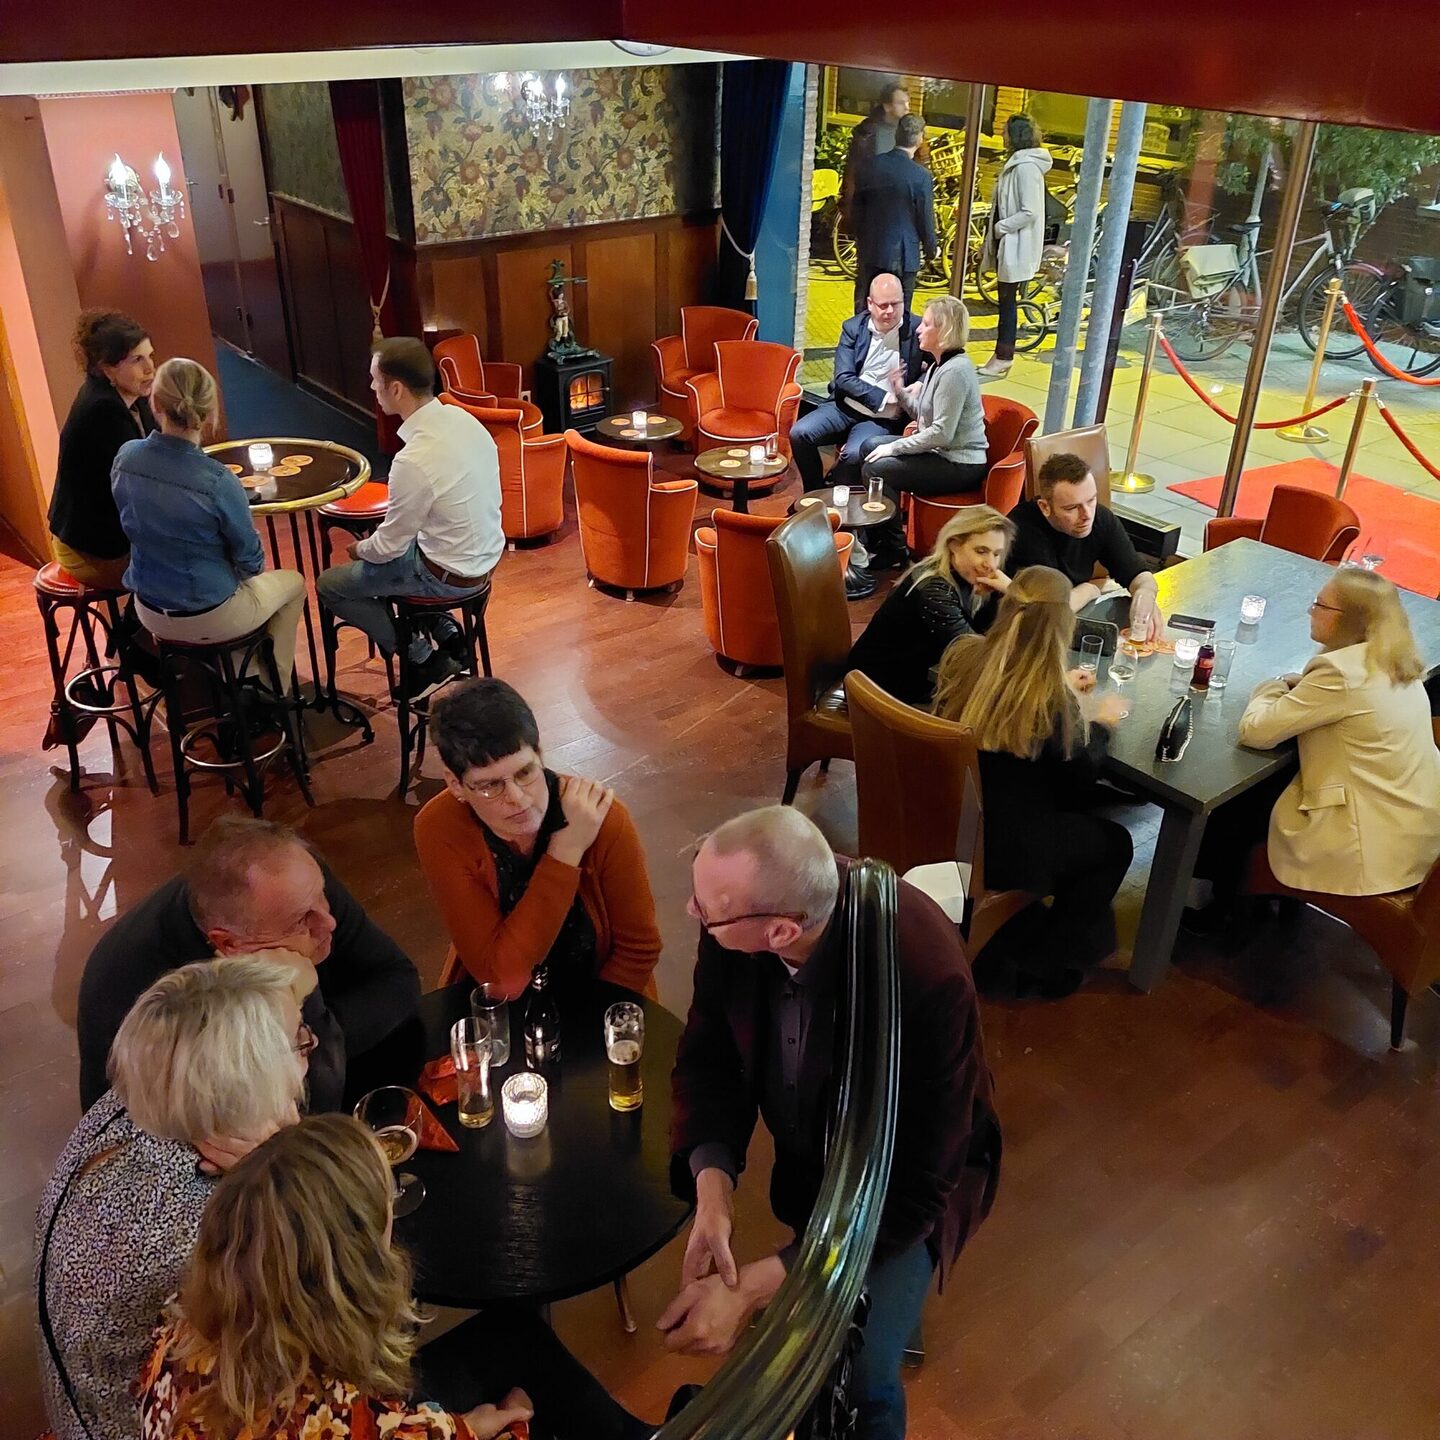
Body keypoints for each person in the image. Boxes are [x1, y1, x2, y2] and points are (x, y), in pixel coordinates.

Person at [662, 806, 1001, 1440]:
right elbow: (710, 1054)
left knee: (865, 1373)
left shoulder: (927, 976)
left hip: (912, 1190)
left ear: (781, 931)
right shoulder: (742, 917)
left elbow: (916, 1188)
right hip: (819, 1159)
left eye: (705, 910)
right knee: (817, 1329)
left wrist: (756, 1288)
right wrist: (713, 1185)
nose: (692, 913)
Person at [138, 1113, 655, 1440]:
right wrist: (494, 1430)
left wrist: (458, 1426)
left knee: (513, 1332)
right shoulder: (344, 1421)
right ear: (351, 1267)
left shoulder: (177, 1334)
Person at [36, 956, 310, 1440]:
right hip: (138, 1424)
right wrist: (285, 1166)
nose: (311, 1047)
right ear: (249, 1079)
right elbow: (313, 1310)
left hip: (76, 1396)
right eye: (298, 1041)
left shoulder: (147, 1100)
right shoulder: (200, 1221)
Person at [77, 814, 420, 1113]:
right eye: (301, 921)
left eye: (322, 895)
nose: (328, 922)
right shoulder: (136, 990)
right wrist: (307, 1013)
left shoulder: (295, 889)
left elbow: (398, 979)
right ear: (229, 944)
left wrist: (313, 1032)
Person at [932, 565, 1133, 995]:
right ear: (1064, 626)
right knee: (1115, 843)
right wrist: (1099, 724)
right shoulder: (1052, 702)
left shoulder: (962, 655)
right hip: (1005, 850)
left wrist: (1062, 690)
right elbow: (1078, 779)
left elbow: (1009, 692)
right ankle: (1048, 962)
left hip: (948, 819)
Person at [1193, 568, 1440, 914]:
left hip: (1368, 846)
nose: (1310, 610)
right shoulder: (1395, 658)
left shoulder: (1339, 673)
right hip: (1414, 830)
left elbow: (1256, 731)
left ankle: (1217, 906)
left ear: (1350, 620)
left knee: (1236, 804)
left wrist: (1272, 685)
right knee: (1270, 785)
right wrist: (1304, 690)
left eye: (1320, 605)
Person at [415, 677, 662, 1000]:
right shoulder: (439, 827)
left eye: (525, 772)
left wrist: (590, 1024)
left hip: (600, 999)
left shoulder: (605, 819)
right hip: (500, 1004)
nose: (517, 798)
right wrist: (566, 850)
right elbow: (501, 981)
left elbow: (638, 949)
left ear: (540, 755)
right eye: (490, 785)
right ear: (455, 785)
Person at [317, 337, 503, 702]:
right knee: (402, 556)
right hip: (485, 556)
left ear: (397, 388)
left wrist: (359, 549)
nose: (372, 388)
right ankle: (450, 634)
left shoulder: (413, 460)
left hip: (447, 574)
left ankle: (423, 660)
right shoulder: (463, 419)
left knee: (331, 585)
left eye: (375, 380)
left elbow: (388, 547)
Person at [112, 356, 306, 687]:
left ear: (155, 404)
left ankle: (242, 673)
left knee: (238, 594)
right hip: (209, 613)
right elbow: (251, 562)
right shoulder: (217, 481)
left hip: (148, 609)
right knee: (294, 584)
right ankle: (273, 688)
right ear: (209, 412)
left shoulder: (126, 457)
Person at [860, 295, 988, 571]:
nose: (919, 328)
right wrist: (900, 391)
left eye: (926, 324)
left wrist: (894, 447)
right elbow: (924, 416)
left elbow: (941, 434)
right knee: (869, 446)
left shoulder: (956, 372)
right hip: (941, 453)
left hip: (960, 463)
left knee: (876, 468)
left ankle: (894, 547)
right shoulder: (939, 366)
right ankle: (877, 534)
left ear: (944, 331)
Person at [846, 504, 1014, 706]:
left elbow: (986, 634)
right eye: (981, 551)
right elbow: (976, 657)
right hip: (876, 691)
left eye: (996, 554)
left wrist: (1004, 594)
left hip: (913, 679)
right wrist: (1014, 595)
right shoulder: (934, 590)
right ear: (954, 545)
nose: (991, 564)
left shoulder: (967, 576)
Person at [789, 272, 923, 496]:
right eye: (883, 305)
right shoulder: (853, 328)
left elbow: (939, 363)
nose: (890, 311)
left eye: (896, 304)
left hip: (879, 419)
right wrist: (885, 398)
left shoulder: (916, 328)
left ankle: (838, 491)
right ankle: (814, 493)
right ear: (870, 304)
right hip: (844, 407)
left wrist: (920, 382)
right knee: (799, 433)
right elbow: (843, 378)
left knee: (853, 455)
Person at [48, 309, 155, 590]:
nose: (150, 368)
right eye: (137, 360)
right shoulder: (102, 411)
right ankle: (142, 618)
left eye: (150, 356)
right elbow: (139, 484)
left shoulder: (133, 395)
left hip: (107, 534)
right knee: (185, 566)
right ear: (107, 369)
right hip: (89, 551)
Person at [1005, 451, 1164, 639]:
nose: (1087, 515)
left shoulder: (1100, 518)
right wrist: (1089, 590)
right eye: (1072, 508)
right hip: (1019, 633)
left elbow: (1136, 572)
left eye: (1091, 500)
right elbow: (1046, 612)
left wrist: (1145, 594)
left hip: (1067, 621)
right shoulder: (1022, 531)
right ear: (1045, 507)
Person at [977, 114, 1053, 379]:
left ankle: (1003, 357)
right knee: (1005, 302)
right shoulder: (1018, 163)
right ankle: (1001, 355)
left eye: (1005, 131)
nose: (1002, 135)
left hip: (1015, 244)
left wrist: (1001, 228)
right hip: (1007, 243)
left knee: (1007, 304)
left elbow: (1029, 211)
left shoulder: (1025, 167)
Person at [852, 114, 937, 318]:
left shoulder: (870, 166)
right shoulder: (921, 176)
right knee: (898, 314)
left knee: (866, 310)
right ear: (920, 138)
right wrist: (931, 249)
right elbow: (925, 218)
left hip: (870, 252)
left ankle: (863, 338)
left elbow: (857, 209)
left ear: (896, 135)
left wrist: (861, 237)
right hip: (903, 256)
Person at [839, 81, 911, 310]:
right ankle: (861, 323)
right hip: (871, 218)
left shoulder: (908, 133)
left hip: (896, 220)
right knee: (867, 279)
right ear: (887, 106)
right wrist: (852, 214)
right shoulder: (868, 134)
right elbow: (853, 175)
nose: (907, 107)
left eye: (908, 102)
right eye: (901, 103)